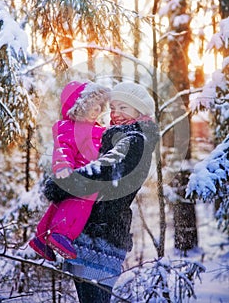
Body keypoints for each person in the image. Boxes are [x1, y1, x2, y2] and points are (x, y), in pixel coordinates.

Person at [44, 81, 160, 303]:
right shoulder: (115, 136)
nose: (116, 113)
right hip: (92, 232)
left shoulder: (135, 139)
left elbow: (103, 171)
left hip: (104, 234)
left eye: (123, 108)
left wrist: (63, 185)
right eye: (113, 107)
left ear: (139, 110)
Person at [29, 80, 109, 261]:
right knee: (79, 204)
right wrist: (63, 165)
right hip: (78, 176)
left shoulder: (97, 130)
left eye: (99, 107)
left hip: (85, 173)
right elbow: (63, 148)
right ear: (78, 108)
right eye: (91, 106)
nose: (97, 110)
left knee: (60, 205)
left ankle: (42, 238)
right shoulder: (69, 128)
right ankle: (61, 234)